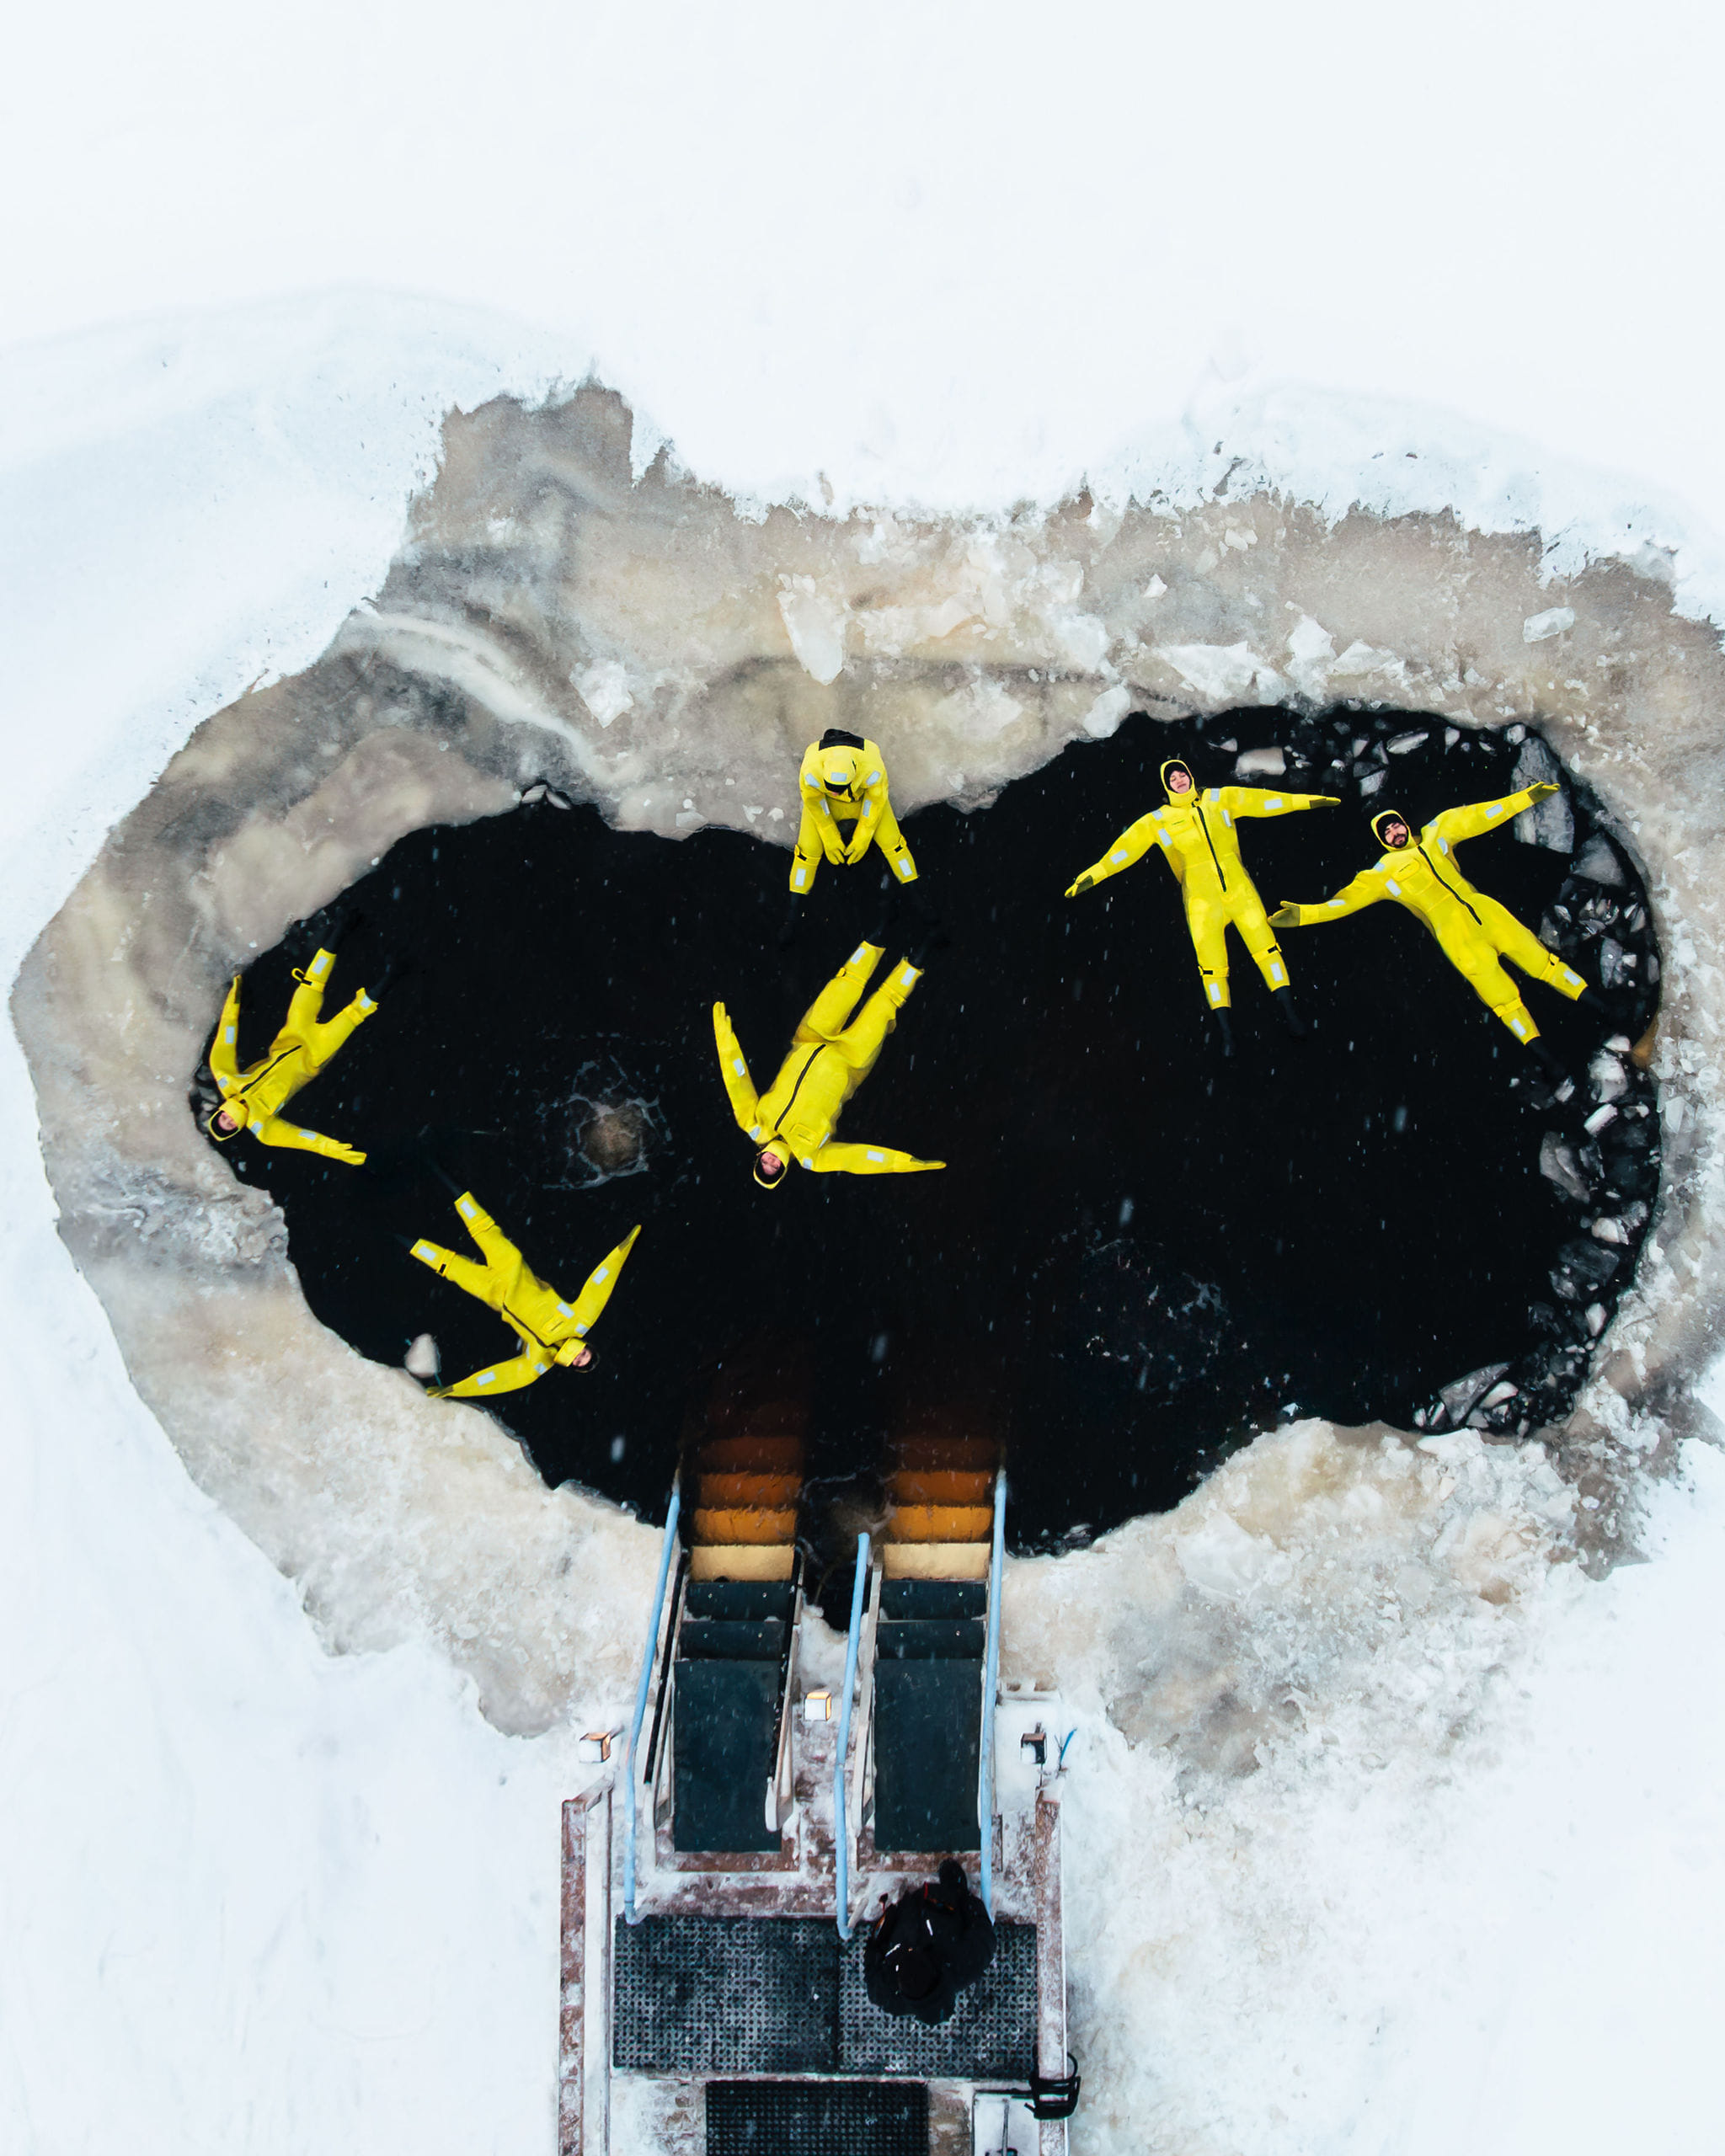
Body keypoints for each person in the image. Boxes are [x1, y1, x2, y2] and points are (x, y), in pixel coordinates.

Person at [1268, 786, 1592, 1074]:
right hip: (1457, 938)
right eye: (1386, 832)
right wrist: (1305, 915)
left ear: (1405, 823)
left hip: (1489, 914)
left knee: (1545, 965)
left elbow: (1481, 816)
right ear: (1381, 840)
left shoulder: (1438, 832)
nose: (1394, 832)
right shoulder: (1383, 873)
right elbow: (1345, 902)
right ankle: (1548, 1060)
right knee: (1503, 999)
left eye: (1395, 824)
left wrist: (1526, 798)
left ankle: (1603, 1009)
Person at [1063, 758, 1338, 1053]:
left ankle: (1290, 1012)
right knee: (1212, 966)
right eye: (1173, 779)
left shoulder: (1220, 799)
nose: (1179, 780)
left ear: (1191, 775)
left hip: (1240, 890)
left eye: (1182, 774)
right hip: (1201, 902)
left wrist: (1307, 801)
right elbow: (1124, 851)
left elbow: (1265, 802)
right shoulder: (1158, 820)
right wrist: (1094, 875)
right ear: (1166, 786)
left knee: (1266, 948)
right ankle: (1227, 1034)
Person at [713, 941, 944, 1186]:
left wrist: (724, 1037)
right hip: (851, 1060)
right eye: (775, 1168)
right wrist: (902, 1163)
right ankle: (920, 954)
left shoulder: (754, 1123)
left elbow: (736, 1079)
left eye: (764, 1164)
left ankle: (878, 938)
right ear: (783, 1169)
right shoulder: (813, 1157)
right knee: (885, 1004)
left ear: (758, 1159)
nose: (771, 1162)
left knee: (846, 984)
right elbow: (857, 1159)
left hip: (810, 1037)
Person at [409, 1193, 641, 1397]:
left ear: (572, 1366)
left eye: (578, 1361)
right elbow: (601, 1284)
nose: (578, 1355)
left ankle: (399, 1235)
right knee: (482, 1226)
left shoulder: (537, 1364)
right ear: (586, 1346)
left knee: (447, 1266)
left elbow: (496, 1379)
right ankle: (444, 1179)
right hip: (512, 1268)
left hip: (491, 1292)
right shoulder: (581, 1320)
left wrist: (454, 1390)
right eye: (584, 1353)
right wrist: (623, 1249)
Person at [205, 919, 398, 1163]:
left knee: (310, 985)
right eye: (231, 1125)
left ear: (219, 1111)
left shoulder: (225, 1077)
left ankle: (342, 927)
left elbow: (228, 1032)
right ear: (238, 1128)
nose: (230, 1118)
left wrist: (235, 998)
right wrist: (331, 1149)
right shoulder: (263, 1128)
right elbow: (303, 1139)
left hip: (293, 1033)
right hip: (315, 1053)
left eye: (223, 1118)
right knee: (355, 1013)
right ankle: (392, 974)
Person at [782, 728, 919, 942]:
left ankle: (917, 899)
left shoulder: (873, 769)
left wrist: (863, 837)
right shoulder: (811, 772)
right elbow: (814, 802)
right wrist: (829, 835)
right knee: (806, 854)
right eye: (831, 787)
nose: (835, 791)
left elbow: (875, 801)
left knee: (895, 845)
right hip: (825, 803)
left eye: (838, 788)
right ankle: (793, 914)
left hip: (864, 799)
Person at [863, 1859, 996, 2025]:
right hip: (941, 1906)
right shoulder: (966, 1963)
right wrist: (960, 1895)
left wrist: (880, 1934)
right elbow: (983, 1927)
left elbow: (871, 1960)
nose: (910, 1951)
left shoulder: (886, 1993)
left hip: (903, 1914)